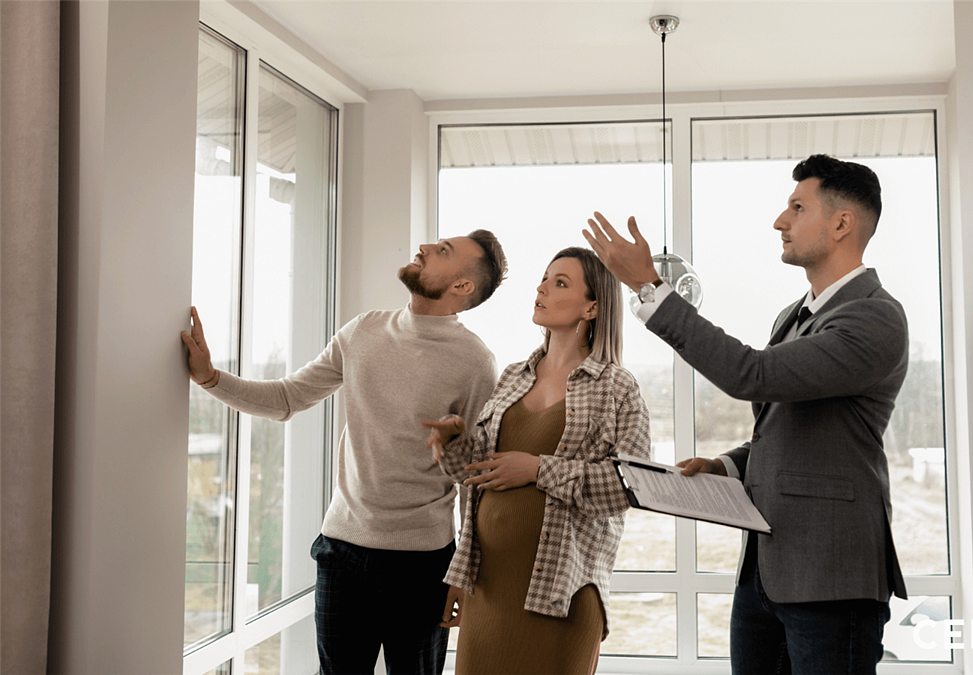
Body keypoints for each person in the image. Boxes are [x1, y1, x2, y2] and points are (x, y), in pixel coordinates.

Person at [583, 154, 909, 675]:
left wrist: (651, 289)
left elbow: (750, 375)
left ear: (842, 223)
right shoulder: (794, 316)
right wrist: (727, 466)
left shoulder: (875, 317)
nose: (780, 220)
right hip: (765, 570)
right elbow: (790, 428)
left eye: (797, 207)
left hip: (831, 576)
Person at [181, 230, 507, 675]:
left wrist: (464, 576)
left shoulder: (475, 362)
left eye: (443, 251)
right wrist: (210, 378)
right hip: (341, 552)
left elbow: (474, 479)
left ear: (463, 286)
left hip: (422, 563)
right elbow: (288, 397)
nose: (425, 248)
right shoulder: (364, 330)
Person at [423, 247, 651, 675]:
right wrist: (454, 445)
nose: (542, 288)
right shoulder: (513, 376)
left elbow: (631, 486)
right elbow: (479, 475)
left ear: (593, 306)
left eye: (560, 282)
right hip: (486, 590)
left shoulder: (618, 388)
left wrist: (537, 469)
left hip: (561, 597)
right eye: (544, 278)